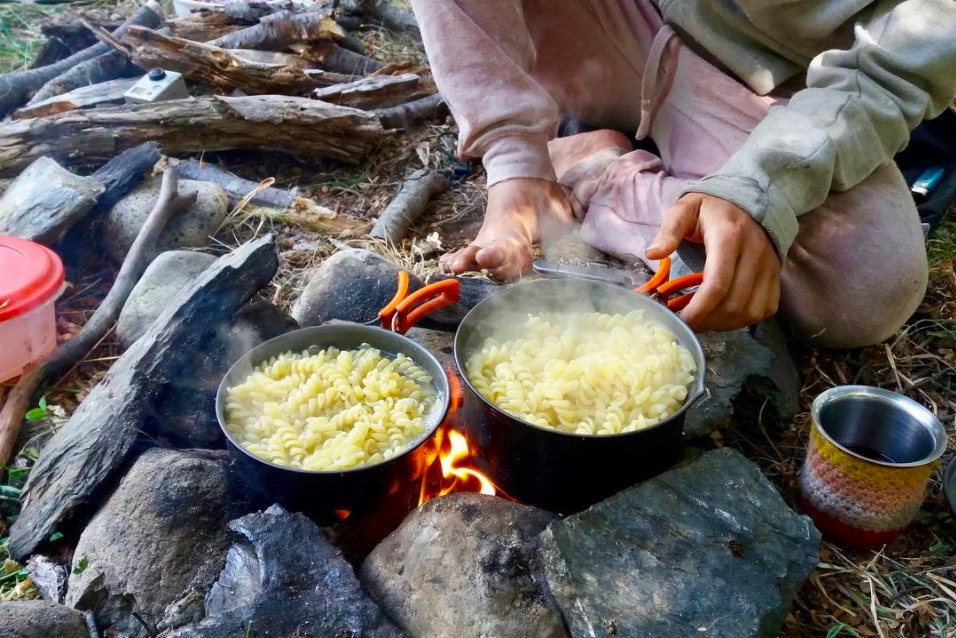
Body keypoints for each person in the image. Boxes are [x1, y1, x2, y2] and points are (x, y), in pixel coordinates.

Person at [407, 0, 956, 347]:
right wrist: (512, 155)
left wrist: (764, 184)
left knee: (869, 285)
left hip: (780, 85)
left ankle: (595, 168)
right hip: (603, 24)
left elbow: (890, 73)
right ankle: (531, 180)